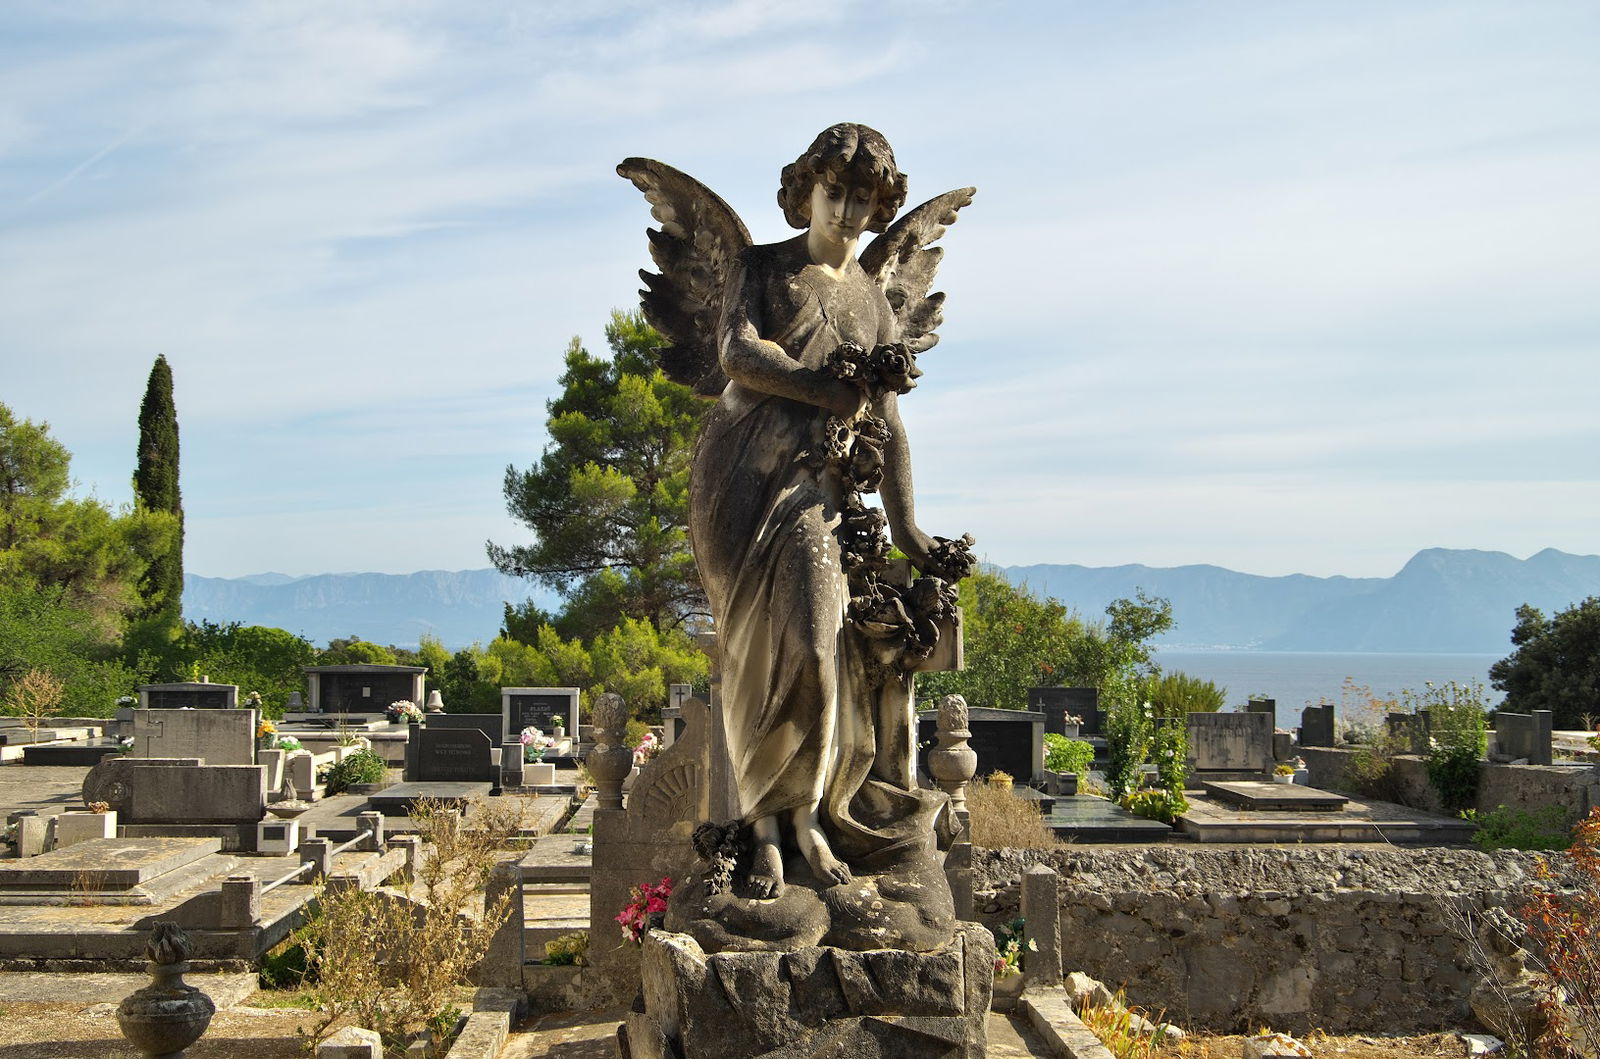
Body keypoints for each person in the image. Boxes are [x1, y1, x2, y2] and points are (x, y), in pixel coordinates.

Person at [689, 124, 943, 898]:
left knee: (814, 646)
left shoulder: (872, 298)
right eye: (839, 192)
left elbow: (889, 422)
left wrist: (908, 528)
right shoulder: (764, 268)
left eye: (867, 198)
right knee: (755, 653)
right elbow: (736, 351)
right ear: (808, 189)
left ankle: (802, 820)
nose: (853, 210)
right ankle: (766, 833)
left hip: (817, 493)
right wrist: (824, 389)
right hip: (740, 476)